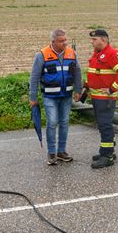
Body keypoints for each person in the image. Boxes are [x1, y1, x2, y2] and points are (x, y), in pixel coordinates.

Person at [29, 29, 81, 165]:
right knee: (52, 122)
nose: (65, 43)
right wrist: (32, 97)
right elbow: (34, 78)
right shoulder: (42, 55)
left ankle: (61, 151)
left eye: (65, 40)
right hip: (50, 96)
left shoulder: (71, 53)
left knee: (64, 122)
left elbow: (77, 72)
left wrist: (78, 89)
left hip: (67, 96)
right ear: (53, 42)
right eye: (61, 41)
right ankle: (51, 153)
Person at [85, 28, 118, 169]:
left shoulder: (111, 54)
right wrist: (86, 86)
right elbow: (96, 74)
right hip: (97, 97)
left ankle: (107, 156)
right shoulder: (98, 54)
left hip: (105, 98)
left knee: (105, 125)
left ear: (103, 40)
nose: (92, 42)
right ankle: (108, 150)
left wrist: (112, 89)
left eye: (94, 39)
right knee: (103, 125)